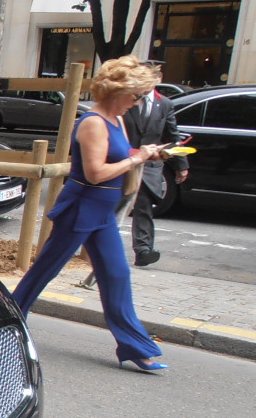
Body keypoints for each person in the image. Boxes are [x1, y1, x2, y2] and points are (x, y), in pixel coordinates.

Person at [12, 56, 169, 371]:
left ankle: (134, 346)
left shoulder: (117, 119)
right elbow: (97, 173)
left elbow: (118, 157)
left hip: (101, 211)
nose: (137, 103)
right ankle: (7, 321)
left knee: (116, 274)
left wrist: (146, 154)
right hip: (82, 207)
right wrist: (137, 161)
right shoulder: (93, 122)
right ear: (116, 92)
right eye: (134, 96)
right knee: (45, 270)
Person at [123, 61, 189, 266]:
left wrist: (181, 164)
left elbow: (172, 135)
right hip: (124, 160)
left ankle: (143, 250)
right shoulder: (127, 100)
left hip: (149, 166)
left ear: (158, 80)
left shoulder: (165, 104)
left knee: (143, 206)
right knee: (117, 205)